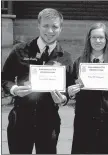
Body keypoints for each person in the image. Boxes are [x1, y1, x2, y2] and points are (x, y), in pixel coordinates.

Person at [2, 8, 73, 154]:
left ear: (61, 28)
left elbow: (69, 87)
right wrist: (14, 89)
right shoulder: (20, 51)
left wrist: (63, 98)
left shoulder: (65, 57)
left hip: (49, 121)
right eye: (46, 26)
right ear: (38, 25)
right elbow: (5, 78)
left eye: (55, 26)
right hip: (20, 119)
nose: (50, 30)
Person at [68, 22, 108, 154]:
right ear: (89, 39)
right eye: (94, 37)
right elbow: (69, 87)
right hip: (83, 119)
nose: (97, 41)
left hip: (106, 119)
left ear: (106, 40)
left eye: (101, 37)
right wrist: (71, 92)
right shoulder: (79, 62)